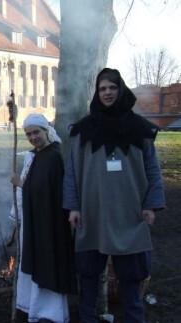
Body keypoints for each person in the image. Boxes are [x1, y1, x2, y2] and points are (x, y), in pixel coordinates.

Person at [63, 68, 166, 322]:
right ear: (97, 94)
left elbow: (152, 169)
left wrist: (151, 205)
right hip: (92, 213)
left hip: (130, 215)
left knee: (131, 282)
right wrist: (73, 207)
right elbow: (72, 172)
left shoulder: (140, 129)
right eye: (102, 89)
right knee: (88, 278)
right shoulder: (82, 131)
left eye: (112, 88)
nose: (107, 93)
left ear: (121, 90)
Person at [10, 113, 77, 322]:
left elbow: (46, 192)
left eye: (36, 132)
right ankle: (35, 308)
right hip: (37, 223)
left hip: (50, 225)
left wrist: (21, 184)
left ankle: (51, 313)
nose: (32, 137)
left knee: (48, 264)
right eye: (28, 134)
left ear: (46, 131)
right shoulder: (37, 155)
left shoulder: (53, 156)